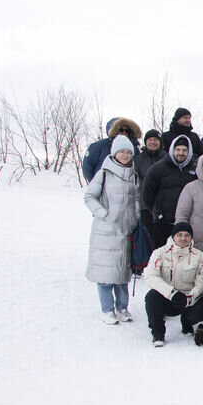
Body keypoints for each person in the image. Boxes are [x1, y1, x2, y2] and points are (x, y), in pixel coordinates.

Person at [84, 134, 139, 324]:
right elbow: (89, 196)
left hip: (126, 229)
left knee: (122, 272)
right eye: (121, 152)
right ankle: (106, 309)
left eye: (128, 152)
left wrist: (136, 217)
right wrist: (104, 214)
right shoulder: (104, 173)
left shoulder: (134, 174)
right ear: (114, 153)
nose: (125, 155)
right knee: (106, 273)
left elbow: (137, 200)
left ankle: (122, 308)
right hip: (106, 231)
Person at [143, 222, 203, 347]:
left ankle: (187, 322)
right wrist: (172, 293)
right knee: (151, 297)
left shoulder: (199, 256)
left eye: (187, 235)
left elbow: (201, 283)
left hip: (188, 298)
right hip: (168, 296)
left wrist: (189, 298)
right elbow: (150, 276)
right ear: (173, 236)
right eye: (179, 235)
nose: (183, 238)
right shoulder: (159, 253)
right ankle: (158, 333)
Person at [140, 135, 198, 248]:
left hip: (188, 224)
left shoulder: (195, 169)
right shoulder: (157, 168)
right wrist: (157, 212)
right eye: (178, 150)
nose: (181, 153)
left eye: (184, 150)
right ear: (172, 150)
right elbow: (147, 195)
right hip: (164, 224)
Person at [82, 117, 141, 182]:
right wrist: (95, 183)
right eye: (121, 130)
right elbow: (87, 165)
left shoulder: (134, 149)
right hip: (103, 187)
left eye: (127, 130)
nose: (124, 132)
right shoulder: (100, 146)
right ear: (115, 130)